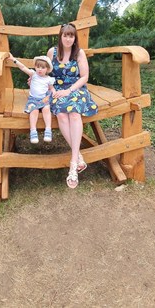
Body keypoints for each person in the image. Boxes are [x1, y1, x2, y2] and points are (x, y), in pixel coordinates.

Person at [47, 23, 98, 189]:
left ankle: (73, 164)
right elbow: (47, 75)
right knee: (61, 114)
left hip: (75, 89)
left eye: (71, 36)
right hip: (57, 90)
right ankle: (79, 158)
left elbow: (84, 77)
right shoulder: (52, 52)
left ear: (74, 38)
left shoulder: (79, 53)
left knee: (74, 113)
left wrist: (69, 91)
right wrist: (54, 90)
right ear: (60, 37)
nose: (68, 39)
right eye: (65, 35)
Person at [9, 53, 55, 144]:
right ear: (35, 67)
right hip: (33, 99)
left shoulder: (49, 79)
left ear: (47, 69)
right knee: (34, 111)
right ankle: (33, 130)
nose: (40, 69)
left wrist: (54, 91)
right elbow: (23, 67)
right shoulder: (33, 74)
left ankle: (48, 130)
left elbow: (51, 88)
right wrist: (13, 59)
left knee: (46, 109)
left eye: (43, 68)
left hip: (44, 98)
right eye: (38, 67)